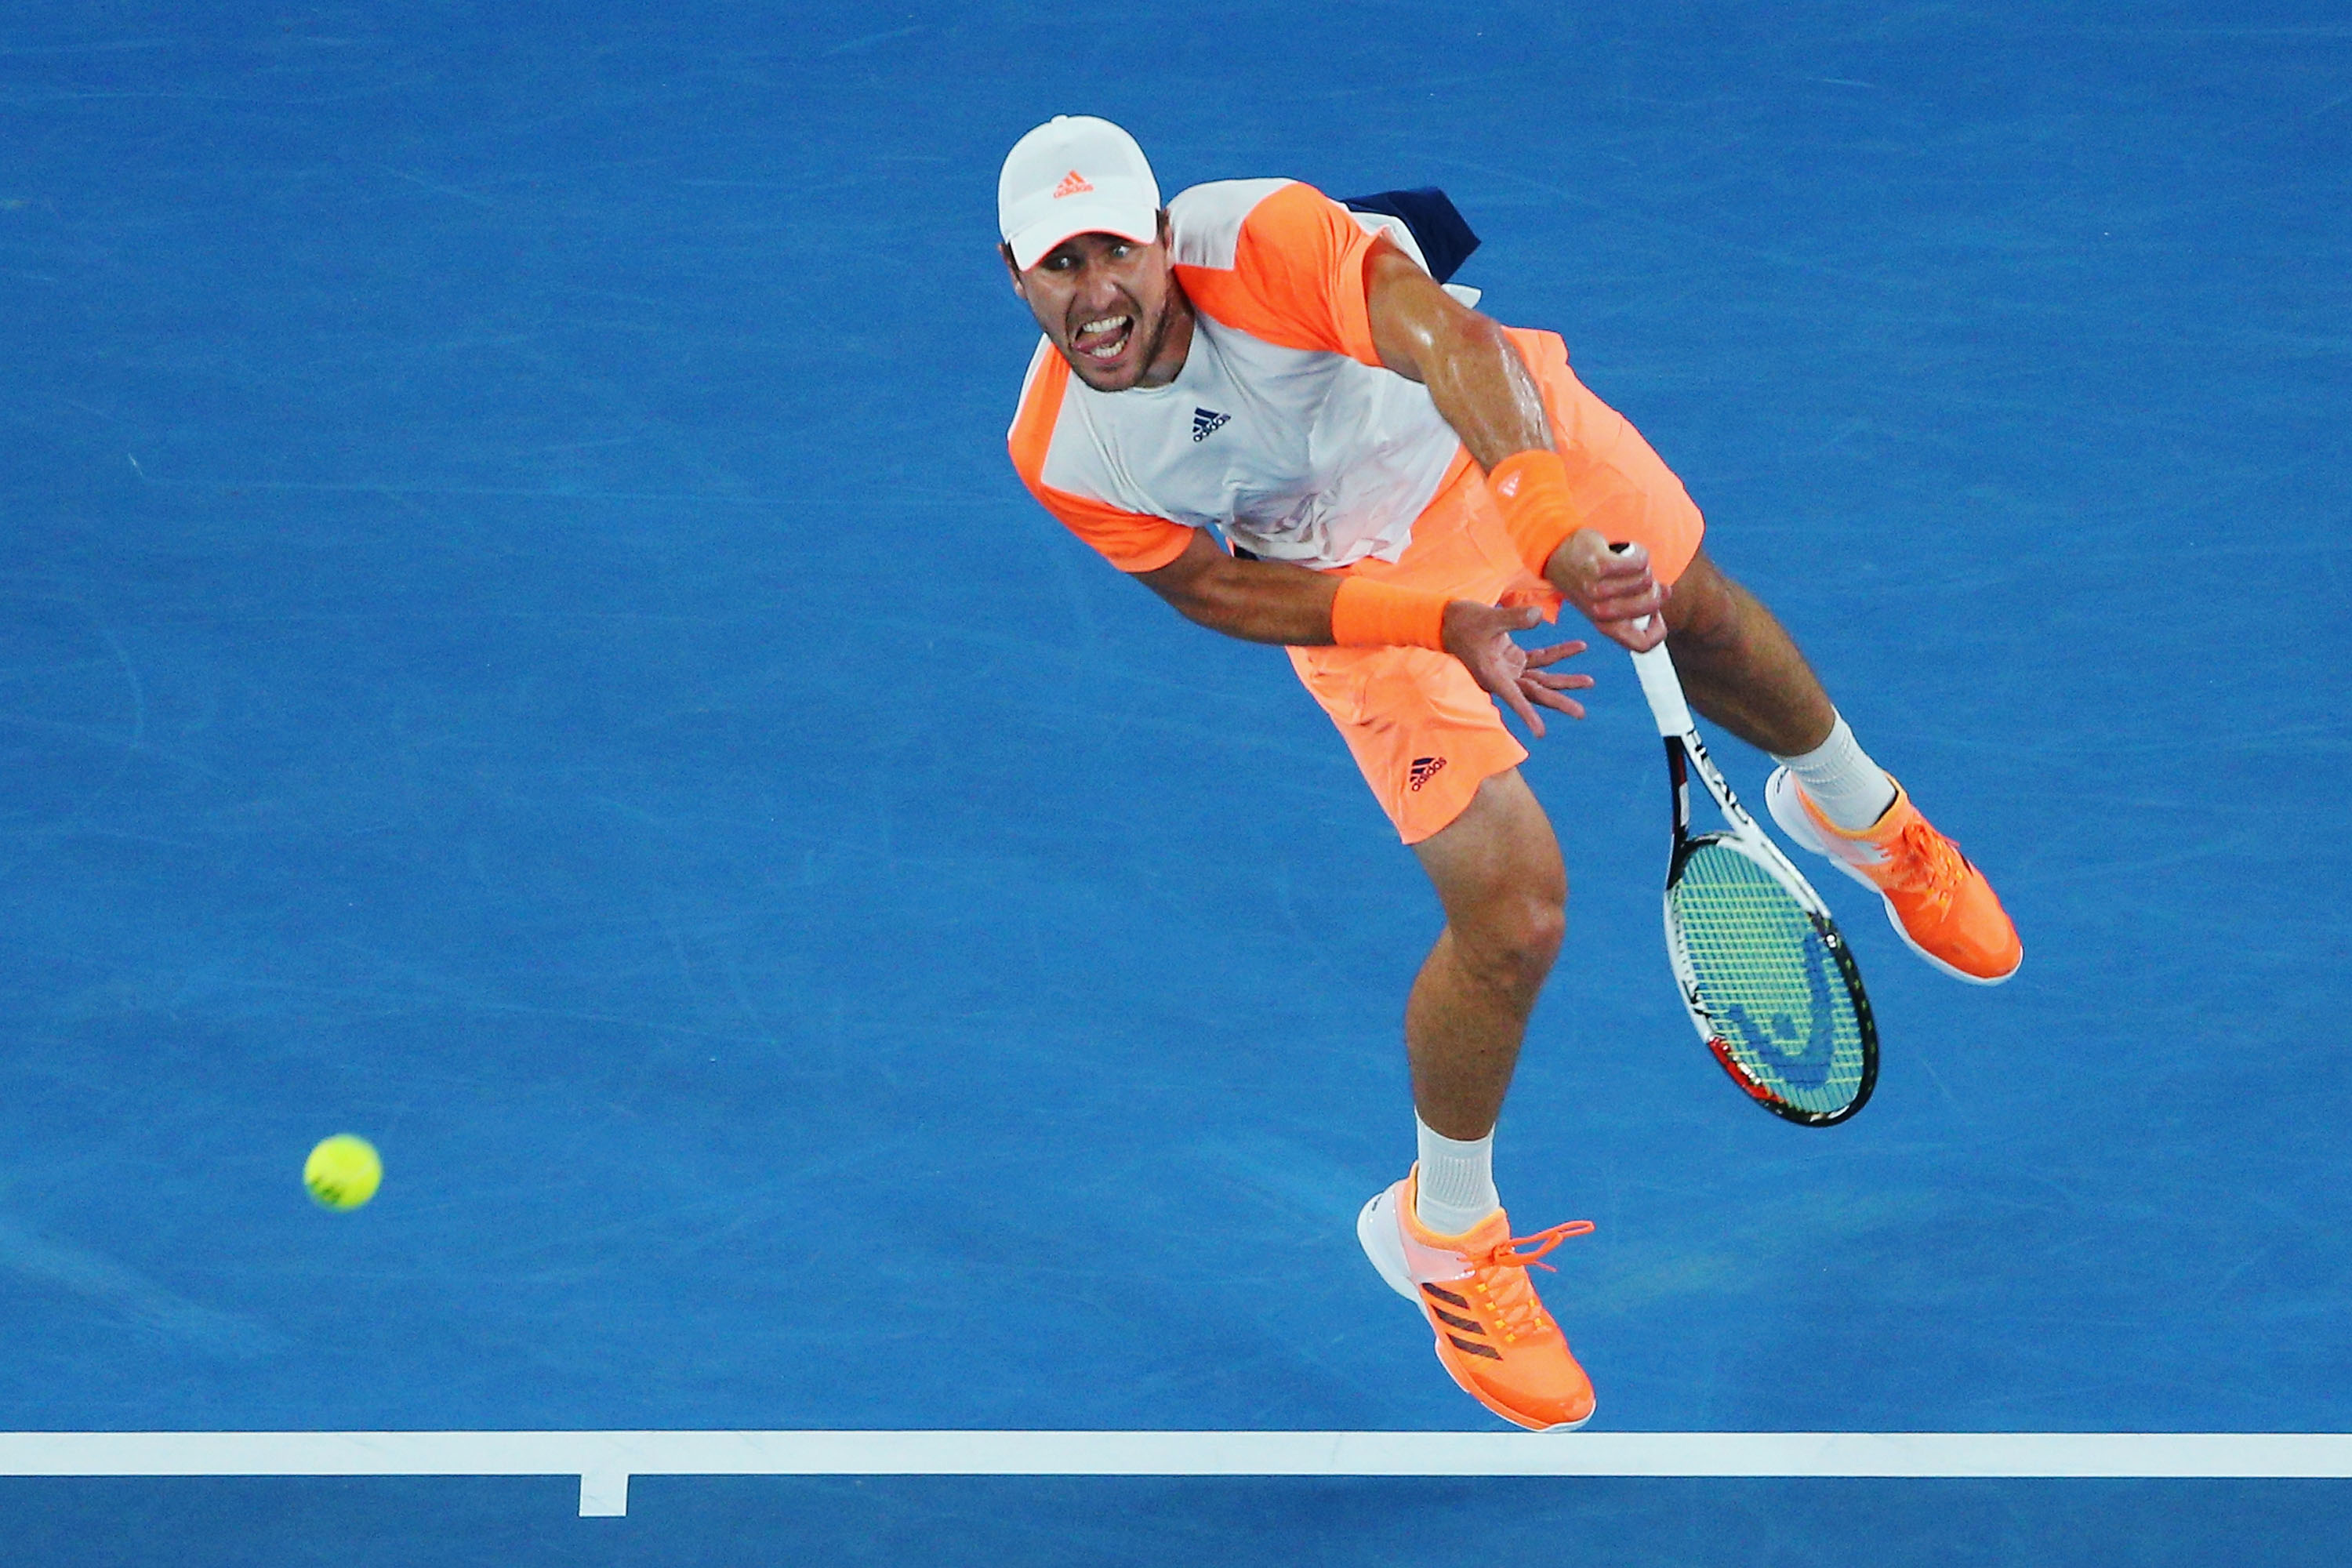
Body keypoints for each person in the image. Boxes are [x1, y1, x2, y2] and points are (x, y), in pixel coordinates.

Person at [996, 114, 2020, 1432]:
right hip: (1358, 581)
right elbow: (1208, 589)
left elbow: (1448, 344)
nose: (1094, 295)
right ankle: (1445, 1225)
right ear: (1017, 279)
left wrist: (1545, 524)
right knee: (1514, 911)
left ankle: (1856, 807)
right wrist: (1437, 622)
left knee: (1690, 607)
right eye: (1058, 267)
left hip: (1484, 439)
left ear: (1160, 244)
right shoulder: (1061, 449)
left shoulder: (1261, 240)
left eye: (1113, 254)